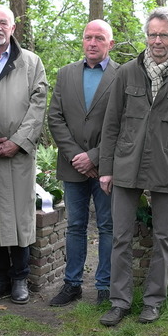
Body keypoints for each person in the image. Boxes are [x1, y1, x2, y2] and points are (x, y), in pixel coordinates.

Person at [98, 7, 168, 326]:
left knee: (164, 238)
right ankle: (119, 301)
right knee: (121, 237)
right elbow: (111, 125)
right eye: (152, 34)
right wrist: (106, 168)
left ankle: (154, 301)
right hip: (127, 166)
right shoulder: (126, 73)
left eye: (163, 35)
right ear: (147, 37)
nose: (157, 40)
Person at [0, 5, 47, 305]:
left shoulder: (31, 63)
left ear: (13, 28)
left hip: (19, 156)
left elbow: (39, 103)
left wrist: (18, 141)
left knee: (20, 217)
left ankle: (20, 278)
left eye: (3, 23)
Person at [47, 19, 119, 306]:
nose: (92, 43)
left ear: (110, 44)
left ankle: (104, 285)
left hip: (107, 168)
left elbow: (125, 124)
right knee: (75, 226)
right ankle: (72, 284)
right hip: (72, 166)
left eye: (99, 38)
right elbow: (55, 118)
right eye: (88, 37)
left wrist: (94, 157)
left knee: (107, 226)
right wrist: (78, 157)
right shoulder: (65, 74)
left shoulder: (121, 75)